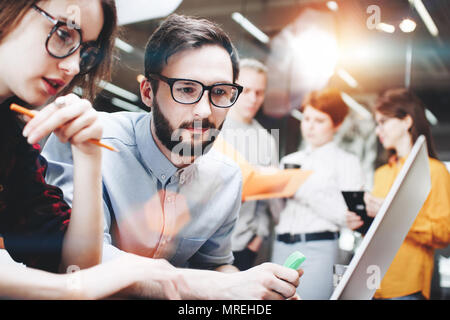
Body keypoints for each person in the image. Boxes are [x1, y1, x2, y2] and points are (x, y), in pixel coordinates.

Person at [43, 14, 303, 299]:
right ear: (147, 92)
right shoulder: (86, 141)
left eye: (220, 92)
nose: (204, 111)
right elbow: (79, 266)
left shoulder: (226, 177)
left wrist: (259, 289)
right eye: (186, 89)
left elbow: (214, 266)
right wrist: (222, 287)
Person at [348, 88, 450, 300]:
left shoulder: (435, 171)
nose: (378, 130)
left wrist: (390, 212)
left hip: (407, 288)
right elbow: (380, 231)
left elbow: (443, 233)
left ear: (406, 121)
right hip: (371, 284)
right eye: (377, 123)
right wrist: (361, 224)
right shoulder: (382, 173)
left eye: (383, 122)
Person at [271, 88, 365, 300]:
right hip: (281, 244)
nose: (310, 126)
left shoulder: (347, 162)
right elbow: (277, 211)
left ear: (337, 124)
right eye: (306, 118)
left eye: (319, 120)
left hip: (319, 248)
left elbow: (348, 217)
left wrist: (300, 189)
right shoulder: (289, 160)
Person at [220, 58, 279, 271]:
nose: (253, 99)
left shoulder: (266, 140)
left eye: (259, 92)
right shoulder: (210, 127)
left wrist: (259, 236)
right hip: (204, 240)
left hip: (244, 244)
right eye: (246, 91)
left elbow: (267, 198)